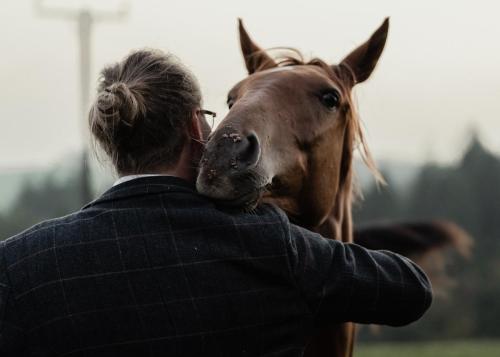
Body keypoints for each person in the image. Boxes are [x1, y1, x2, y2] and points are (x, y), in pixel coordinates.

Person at [0, 49, 432, 356]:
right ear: (195, 126)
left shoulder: (17, 265)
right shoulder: (272, 249)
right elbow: (410, 290)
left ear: (110, 144)